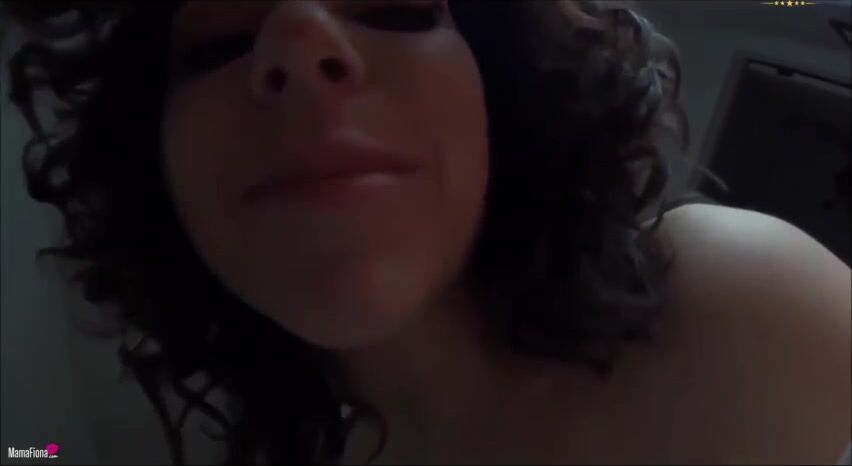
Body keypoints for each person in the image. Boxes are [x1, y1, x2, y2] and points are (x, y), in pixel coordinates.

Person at [5, 1, 850, 464]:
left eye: (396, 7)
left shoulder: (741, 307)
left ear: (501, 88)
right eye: (217, 44)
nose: (299, 42)